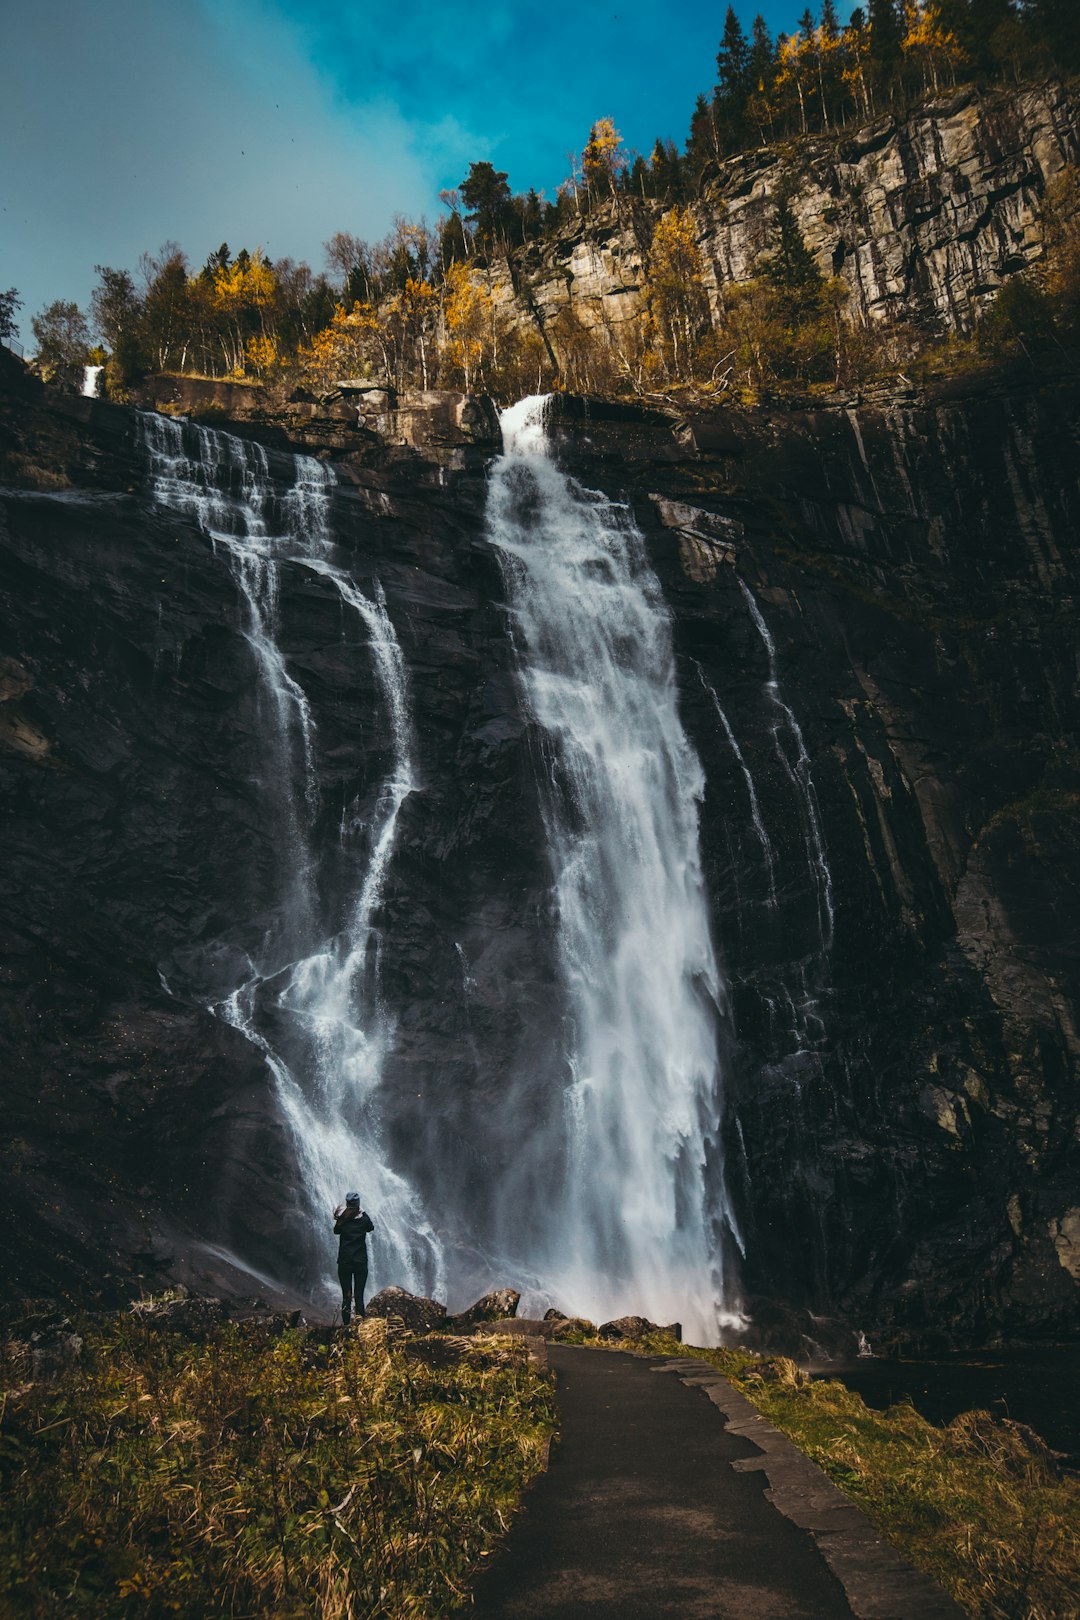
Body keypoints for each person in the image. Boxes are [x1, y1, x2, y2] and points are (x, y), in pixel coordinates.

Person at [333, 1192, 374, 1325]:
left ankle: (346, 1328)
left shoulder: (343, 1220)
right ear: (358, 1204)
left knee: (347, 1296)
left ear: (347, 1203)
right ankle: (361, 1326)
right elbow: (371, 1227)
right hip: (360, 1263)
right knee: (359, 1296)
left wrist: (343, 1215)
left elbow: (336, 1231)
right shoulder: (363, 1220)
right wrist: (363, 1211)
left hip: (345, 1262)